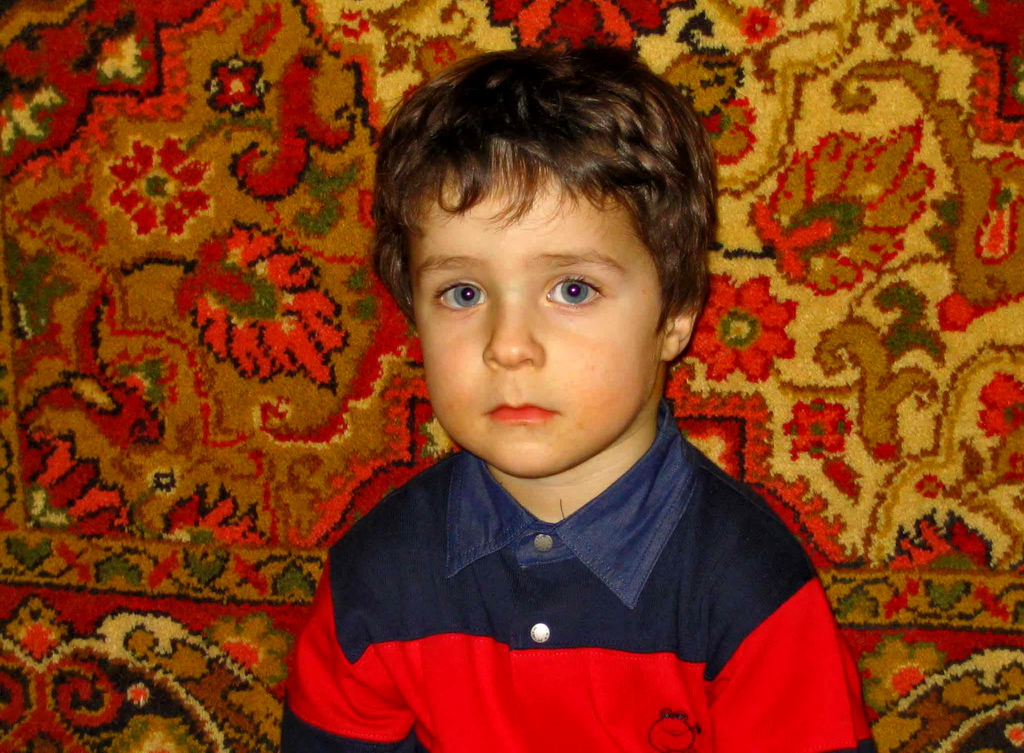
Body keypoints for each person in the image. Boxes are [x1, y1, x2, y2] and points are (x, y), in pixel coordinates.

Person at [281, 45, 876, 752]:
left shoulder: (751, 588)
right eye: (462, 293)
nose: (508, 346)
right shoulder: (373, 577)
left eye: (572, 289)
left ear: (675, 314)